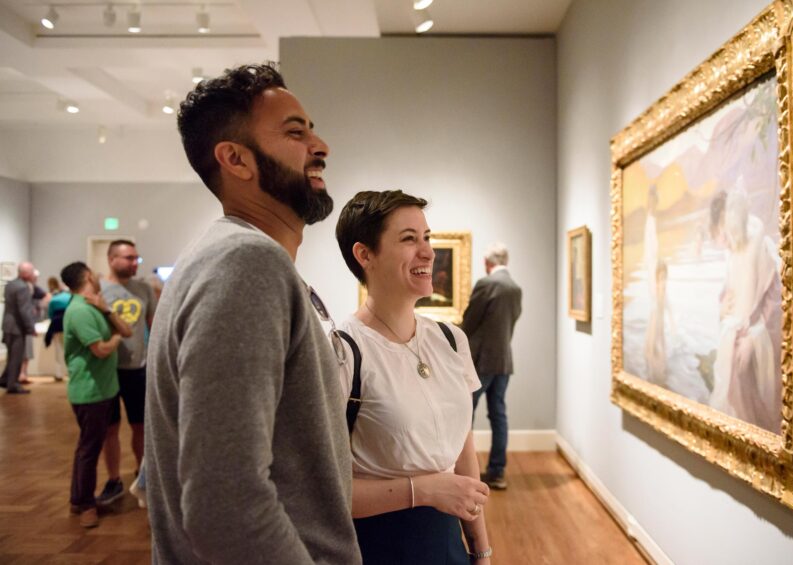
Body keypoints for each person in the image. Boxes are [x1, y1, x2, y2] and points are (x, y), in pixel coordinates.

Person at [145, 62, 360, 564]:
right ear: (236, 159)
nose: (321, 146)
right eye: (295, 132)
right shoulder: (247, 263)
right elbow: (225, 506)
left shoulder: (220, 258)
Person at [334, 190, 492, 564]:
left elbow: (464, 455)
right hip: (378, 546)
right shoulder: (343, 352)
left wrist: (481, 549)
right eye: (409, 239)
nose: (428, 252)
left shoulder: (451, 340)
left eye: (427, 238)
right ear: (365, 255)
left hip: (447, 544)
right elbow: (325, 492)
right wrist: (425, 490)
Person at [60, 262, 132, 528]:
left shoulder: (94, 306)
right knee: (89, 449)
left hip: (104, 388)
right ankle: (85, 504)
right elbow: (101, 349)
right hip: (90, 391)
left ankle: (79, 499)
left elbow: (127, 330)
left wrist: (107, 310)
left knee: (88, 445)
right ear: (89, 276)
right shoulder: (79, 311)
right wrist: (115, 339)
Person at [709, 189, 782, 433]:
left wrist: (753, 338)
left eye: (725, 226)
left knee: (747, 405)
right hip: (733, 335)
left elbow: (773, 301)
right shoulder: (732, 250)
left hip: (753, 338)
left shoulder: (760, 247)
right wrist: (723, 306)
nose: (723, 235)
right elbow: (730, 290)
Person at [97, 240, 157, 506]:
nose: (134, 263)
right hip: (108, 370)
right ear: (112, 259)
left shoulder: (144, 289)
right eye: (128, 258)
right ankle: (113, 480)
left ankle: (144, 477)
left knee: (141, 426)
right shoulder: (99, 290)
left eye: (136, 258)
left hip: (138, 370)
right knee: (110, 429)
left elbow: (154, 325)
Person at [462, 242, 523, 490]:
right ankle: (497, 472)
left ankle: (466, 472)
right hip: (504, 361)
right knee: (498, 414)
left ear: (487, 263)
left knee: (465, 413)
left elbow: (469, 321)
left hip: (481, 361)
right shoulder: (515, 288)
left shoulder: (486, 284)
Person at [1, 262, 38, 394]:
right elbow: (24, 310)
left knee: (12, 356)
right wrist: (31, 328)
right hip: (16, 327)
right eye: (32, 272)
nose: (33, 274)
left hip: (8, 325)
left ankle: (5, 379)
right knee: (16, 357)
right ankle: (13, 384)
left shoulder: (10, 285)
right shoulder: (22, 287)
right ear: (26, 273)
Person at [45, 276, 71, 381]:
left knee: (58, 350)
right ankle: (70, 371)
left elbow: (50, 314)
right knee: (69, 349)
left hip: (56, 326)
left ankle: (59, 373)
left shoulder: (53, 300)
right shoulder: (69, 297)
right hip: (68, 325)